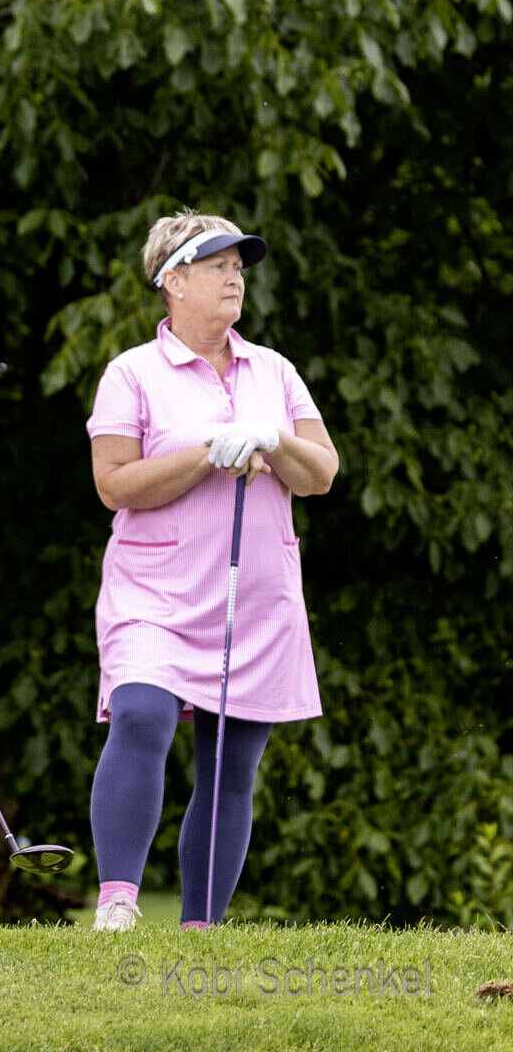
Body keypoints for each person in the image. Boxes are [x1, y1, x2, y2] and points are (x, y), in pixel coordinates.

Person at [86, 210, 338, 931]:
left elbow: (321, 472)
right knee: (141, 713)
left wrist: (272, 439)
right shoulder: (132, 373)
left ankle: (200, 929)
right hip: (156, 592)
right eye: (217, 265)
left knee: (231, 761)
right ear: (174, 281)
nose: (235, 278)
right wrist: (207, 455)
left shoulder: (274, 371)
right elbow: (114, 483)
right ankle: (118, 903)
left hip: (254, 597)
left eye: (238, 266)